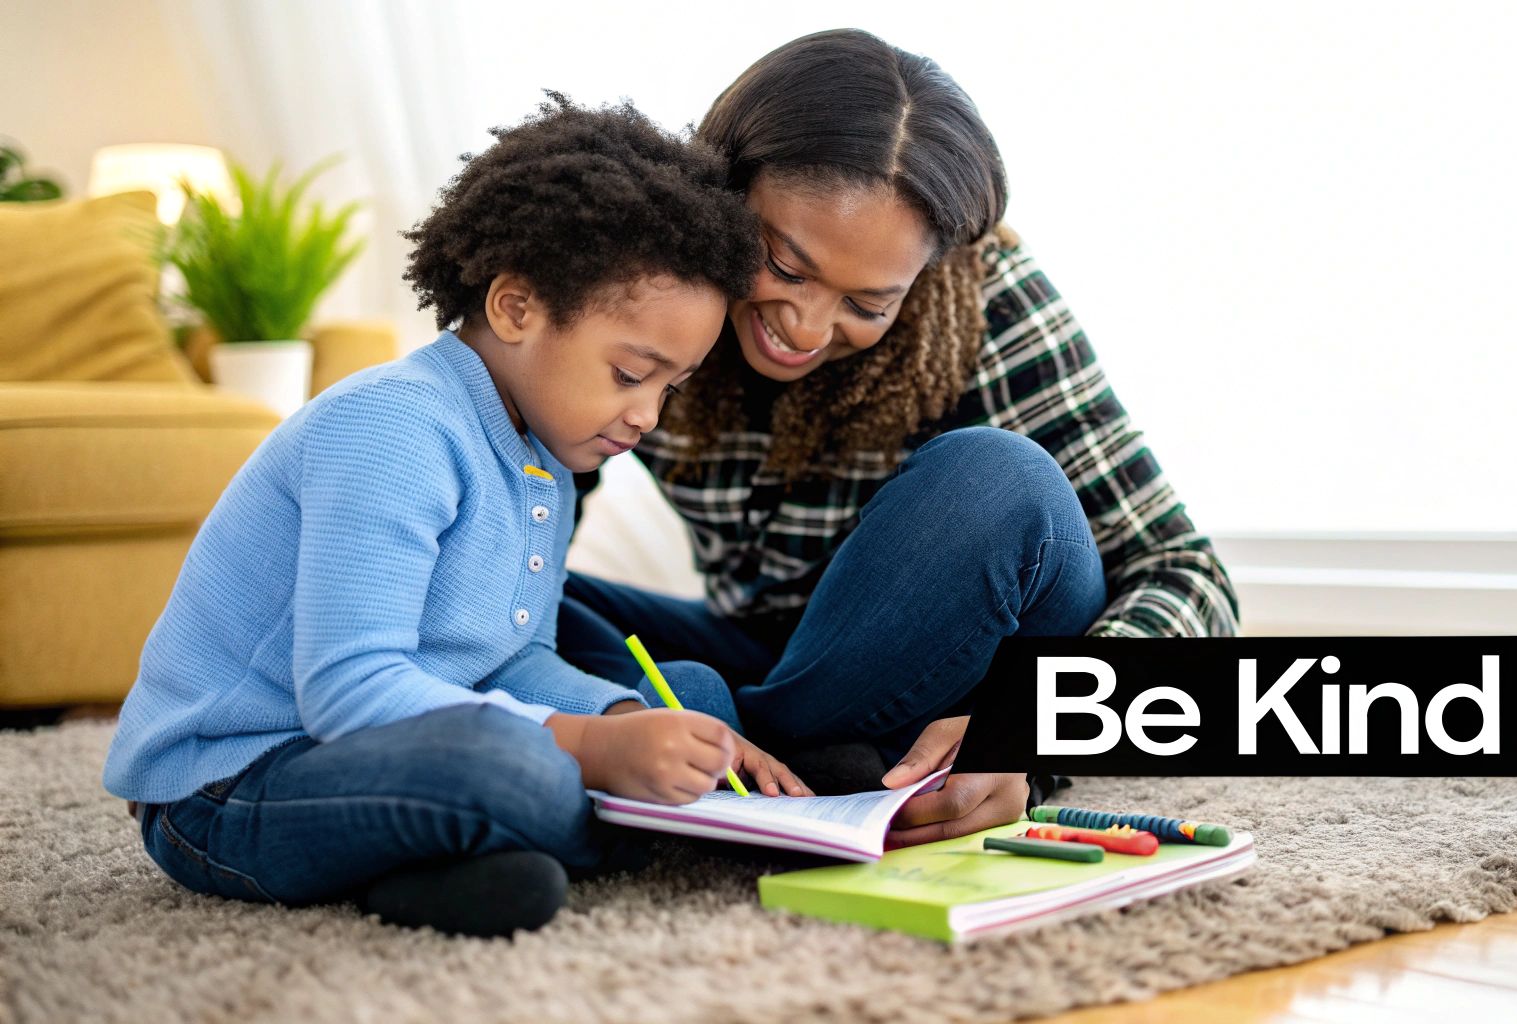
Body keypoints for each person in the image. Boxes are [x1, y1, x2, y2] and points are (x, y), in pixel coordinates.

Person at [102, 96, 805, 938]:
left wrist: (623, 724)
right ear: (515, 308)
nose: (648, 415)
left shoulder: (543, 453)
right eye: (630, 374)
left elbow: (510, 659)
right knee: (516, 770)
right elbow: (348, 692)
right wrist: (587, 750)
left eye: (670, 388)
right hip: (234, 784)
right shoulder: (394, 426)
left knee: (688, 698)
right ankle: (557, 833)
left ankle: (457, 869)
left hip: (402, 744)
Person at [559, 30, 1240, 847]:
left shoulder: (989, 306)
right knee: (519, 597)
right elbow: (527, 502)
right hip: (772, 652)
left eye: (869, 305)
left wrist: (1029, 725)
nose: (806, 330)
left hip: (945, 666)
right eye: (785, 263)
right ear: (727, 186)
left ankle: (729, 751)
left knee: (998, 479)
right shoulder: (647, 279)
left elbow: (1187, 574)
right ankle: (764, 751)